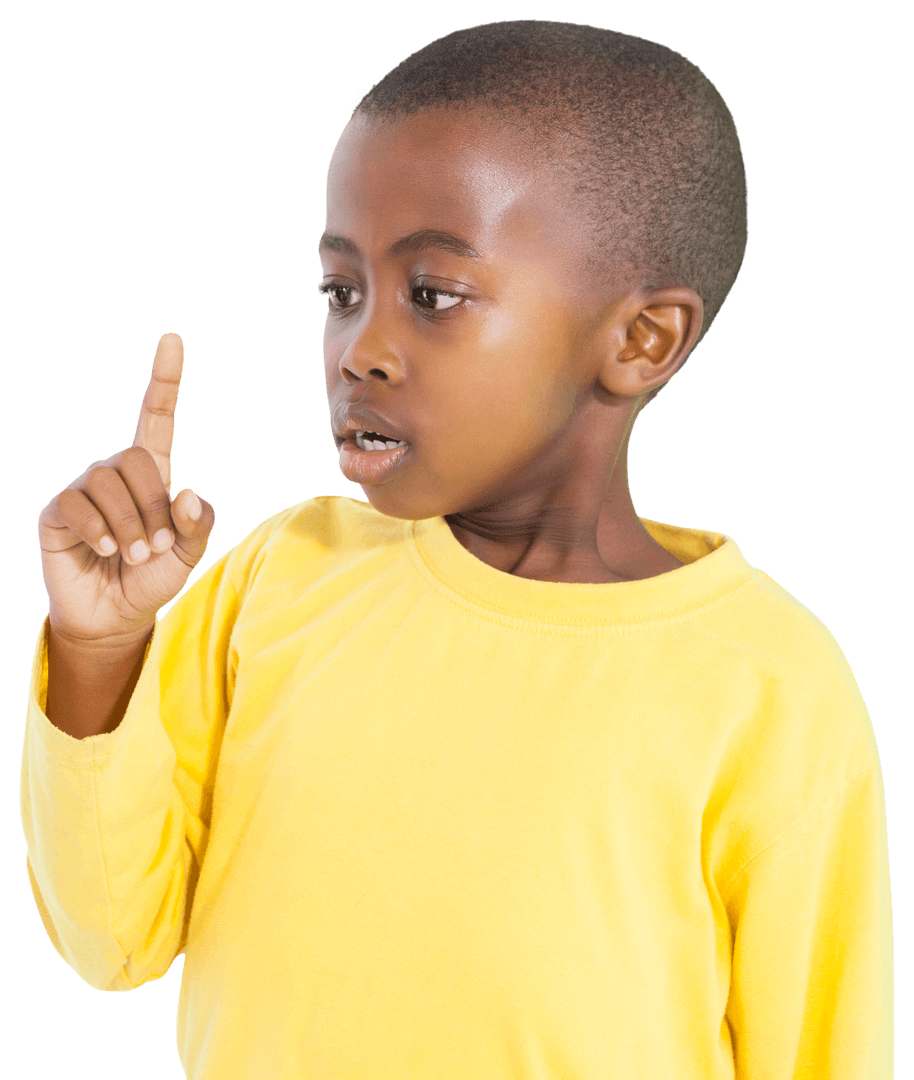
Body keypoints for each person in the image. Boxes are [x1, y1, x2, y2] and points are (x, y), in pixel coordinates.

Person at [21, 20, 893, 1079]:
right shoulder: (283, 575)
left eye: (431, 294)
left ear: (638, 341)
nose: (359, 351)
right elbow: (112, 941)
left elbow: (818, 1048)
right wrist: (100, 650)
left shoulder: (768, 685)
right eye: (340, 293)